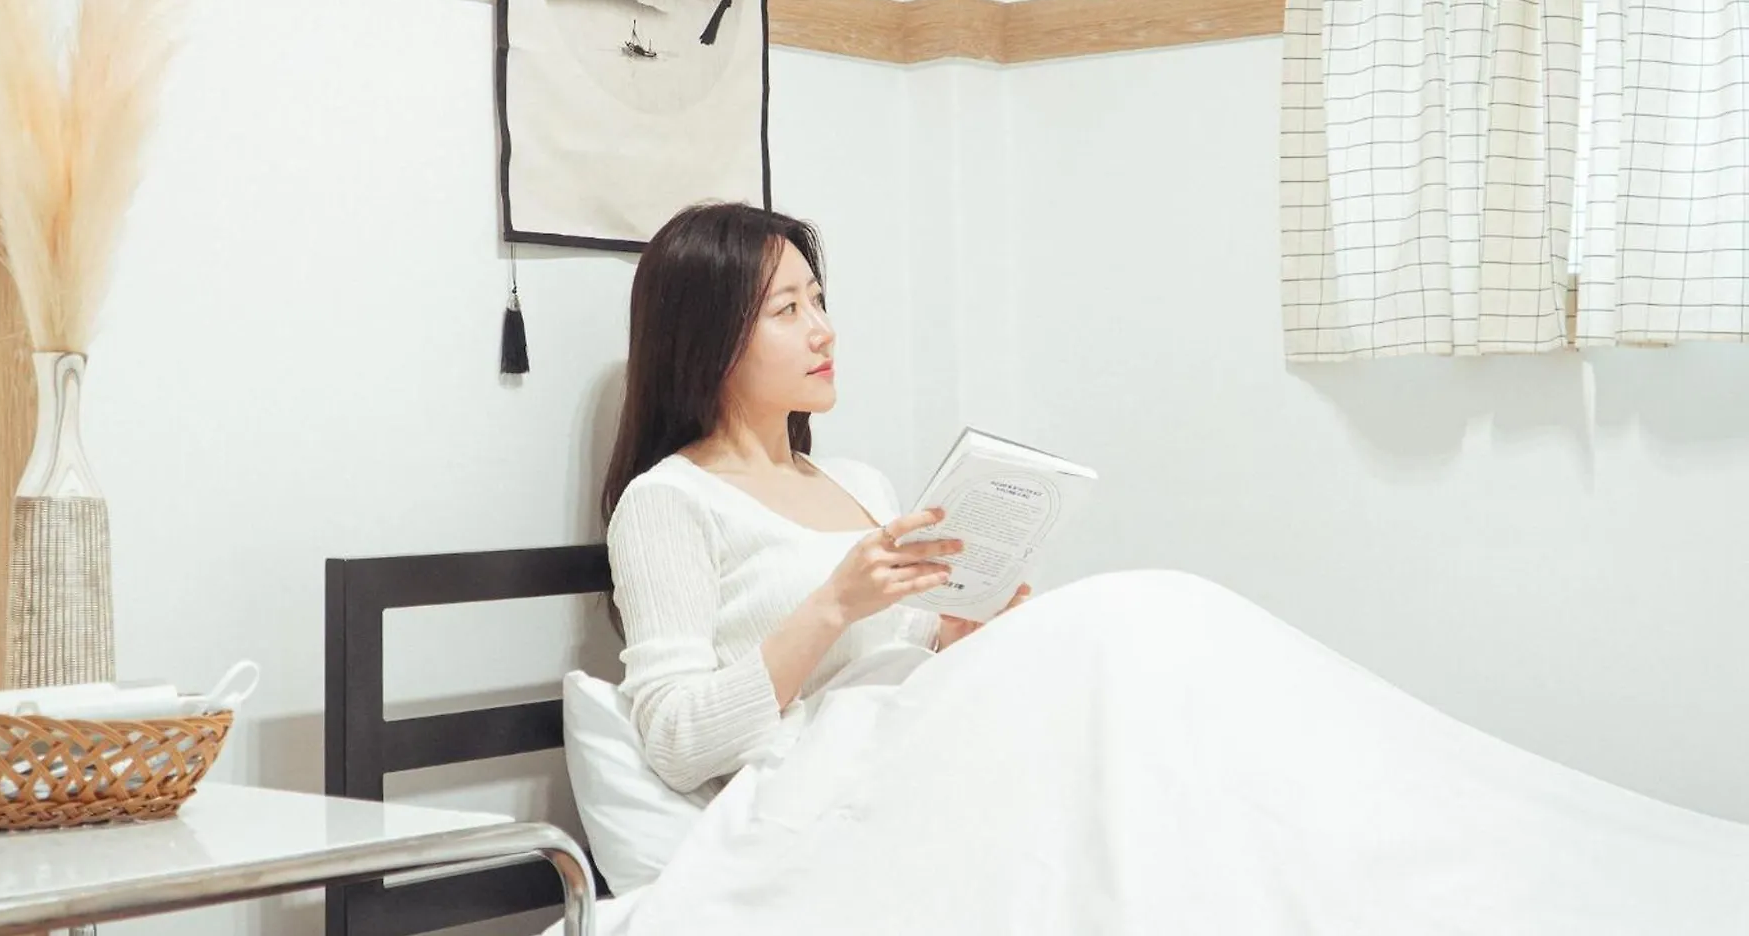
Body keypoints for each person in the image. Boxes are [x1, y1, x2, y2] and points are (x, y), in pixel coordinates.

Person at [595, 202, 1749, 935]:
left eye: (820, 300)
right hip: (830, 772)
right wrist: (833, 603)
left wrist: (966, 627)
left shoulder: (855, 477)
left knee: (1166, 639)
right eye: (788, 309)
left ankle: (1400, 870)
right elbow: (679, 738)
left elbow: (904, 649)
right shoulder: (669, 504)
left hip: (930, 721)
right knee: (1136, 623)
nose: (824, 328)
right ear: (712, 335)